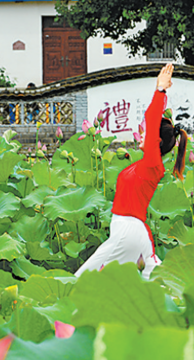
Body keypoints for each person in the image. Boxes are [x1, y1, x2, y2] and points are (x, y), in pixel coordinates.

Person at [75, 64, 187, 279]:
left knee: (87, 278)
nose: (141, 134)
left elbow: (152, 117)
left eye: (146, 132)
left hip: (128, 231)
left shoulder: (153, 164)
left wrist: (160, 91)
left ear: (157, 141)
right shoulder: (143, 164)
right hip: (130, 231)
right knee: (159, 281)